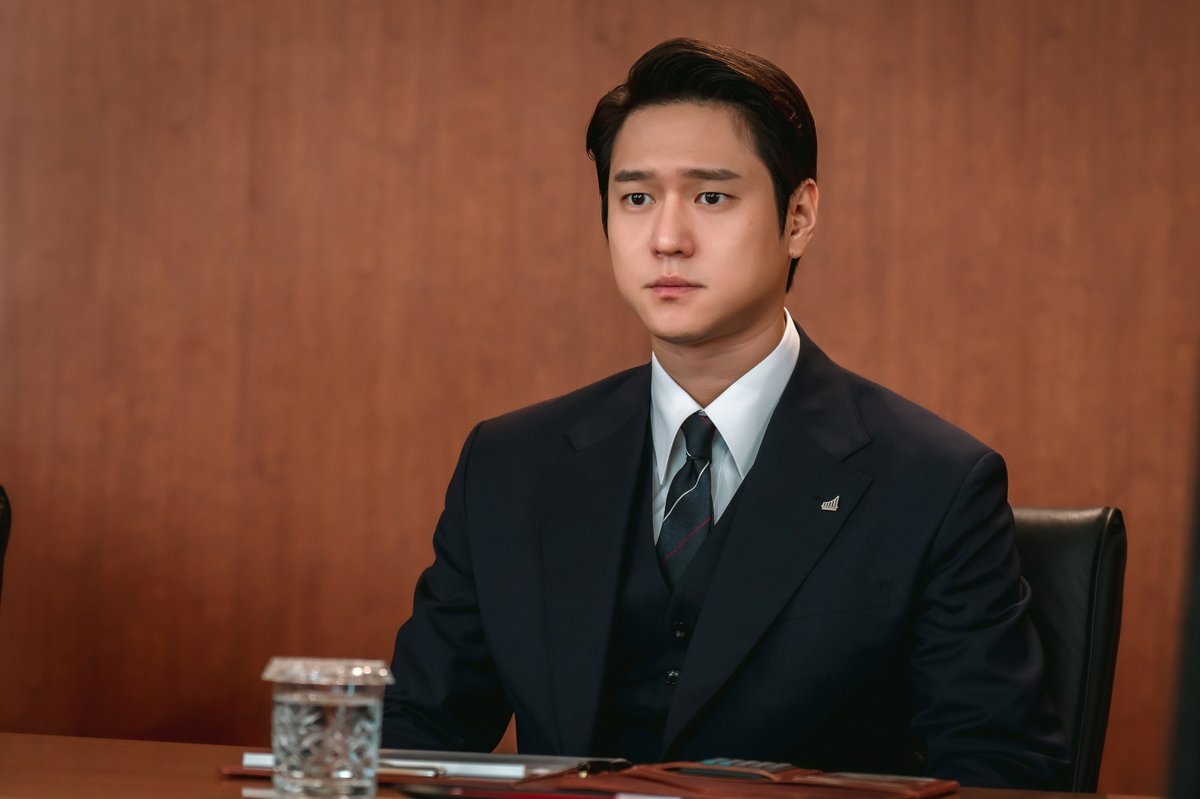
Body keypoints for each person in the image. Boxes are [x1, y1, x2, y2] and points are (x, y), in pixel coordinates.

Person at [382, 38, 1070, 789]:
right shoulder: (510, 465)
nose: (667, 240)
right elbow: (413, 734)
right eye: (636, 198)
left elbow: (1000, 772)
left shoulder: (934, 483)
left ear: (798, 215)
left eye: (711, 197)